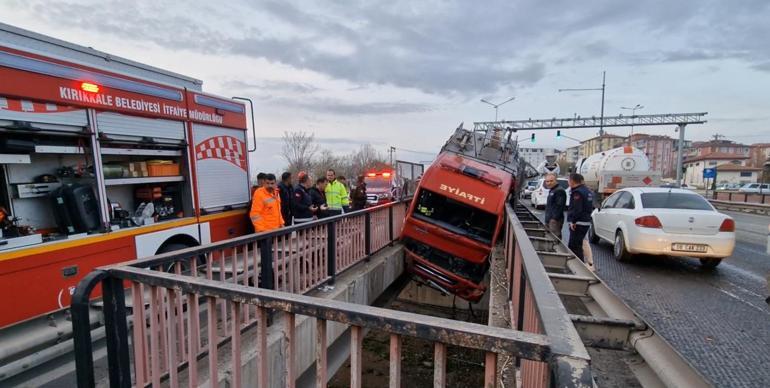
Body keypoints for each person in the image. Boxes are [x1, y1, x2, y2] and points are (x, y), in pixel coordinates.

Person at [567, 173, 594, 261]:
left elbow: (577, 209)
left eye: (568, 180)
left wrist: (573, 221)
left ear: (572, 181)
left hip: (578, 223)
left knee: (574, 246)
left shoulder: (577, 192)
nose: (568, 182)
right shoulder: (587, 191)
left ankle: (578, 266)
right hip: (585, 221)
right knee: (579, 244)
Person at [543, 173, 567, 239]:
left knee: (554, 239)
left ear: (556, 180)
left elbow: (559, 206)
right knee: (549, 238)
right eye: (547, 181)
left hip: (554, 221)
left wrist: (554, 219)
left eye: (551, 181)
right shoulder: (552, 190)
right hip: (549, 219)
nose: (549, 183)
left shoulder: (559, 190)